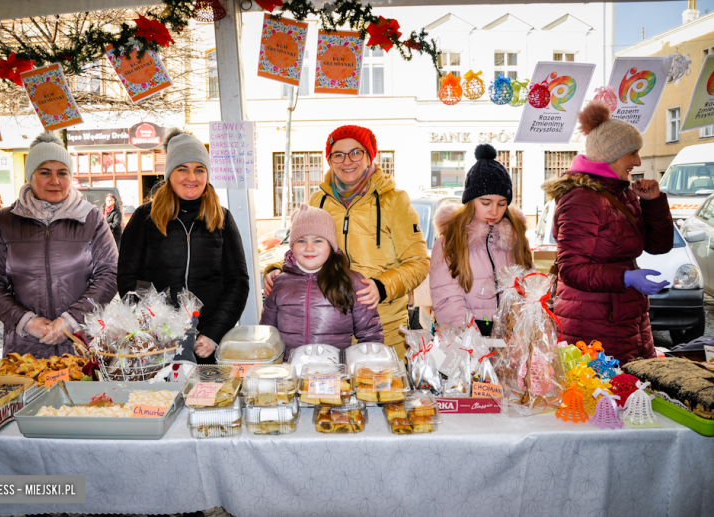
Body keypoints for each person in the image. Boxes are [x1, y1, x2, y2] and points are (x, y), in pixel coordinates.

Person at [263, 125, 429, 359]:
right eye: (338, 154)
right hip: (325, 329)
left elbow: (418, 262)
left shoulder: (395, 201)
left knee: (378, 391)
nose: (347, 161)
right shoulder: (317, 199)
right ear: (329, 160)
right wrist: (279, 272)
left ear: (369, 155)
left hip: (384, 327)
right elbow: (303, 249)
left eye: (356, 152)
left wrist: (382, 287)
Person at [542, 101, 674, 363]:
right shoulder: (581, 198)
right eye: (632, 153)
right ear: (612, 154)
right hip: (592, 324)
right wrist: (625, 277)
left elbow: (659, 245)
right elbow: (572, 269)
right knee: (601, 398)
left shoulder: (622, 192)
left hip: (628, 316)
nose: (637, 161)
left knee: (633, 394)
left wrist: (653, 203)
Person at [0, 132, 118, 357]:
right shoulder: (4, 221)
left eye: (62, 173)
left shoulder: (91, 218)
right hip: (24, 349)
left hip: (81, 345)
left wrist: (71, 321)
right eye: (45, 173)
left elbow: (109, 274)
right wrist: (26, 321)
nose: (55, 181)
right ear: (30, 176)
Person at [118, 129, 249, 364]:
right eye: (182, 169)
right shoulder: (144, 218)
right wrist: (159, 327)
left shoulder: (222, 219)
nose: (192, 177)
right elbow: (128, 278)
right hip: (157, 345)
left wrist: (213, 334)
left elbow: (237, 282)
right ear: (169, 174)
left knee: (210, 400)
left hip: (208, 345)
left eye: (199, 169)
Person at [429, 144, 534, 335]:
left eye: (502, 204)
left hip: (510, 336)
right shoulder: (450, 243)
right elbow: (447, 299)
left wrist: (520, 330)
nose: (494, 211)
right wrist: (472, 338)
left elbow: (529, 287)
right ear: (470, 201)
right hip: (466, 338)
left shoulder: (516, 240)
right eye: (486, 203)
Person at [260, 204, 384, 359]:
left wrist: (367, 371)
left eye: (318, 241)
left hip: (336, 376)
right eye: (301, 241)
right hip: (290, 376)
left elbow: (370, 336)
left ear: (331, 245)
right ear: (292, 246)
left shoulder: (353, 283)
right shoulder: (279, 284)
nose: (309, 248)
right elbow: (267, 335)